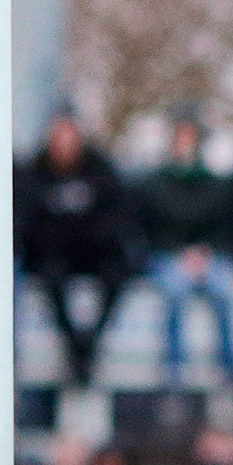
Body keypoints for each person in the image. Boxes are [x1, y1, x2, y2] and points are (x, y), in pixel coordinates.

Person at [17, 110, 140, 386]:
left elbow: (117, 215)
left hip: (93, 252)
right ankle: (75, 346)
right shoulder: (34, 172)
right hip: (53, 255)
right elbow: (28, 223)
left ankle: (91, 342)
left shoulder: (99, 168)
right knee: (50, 279)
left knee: (118, 275)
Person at [140, 113, 233, 381]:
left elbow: (223, 226)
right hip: (169, 256)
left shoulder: (214, 184)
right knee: (175, 290)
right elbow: (151, 229)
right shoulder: (156, 183)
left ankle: (229, 369)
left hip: (209, 256)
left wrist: (205, 252)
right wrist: (180, 253)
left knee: (224, 289)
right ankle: (175, 372)